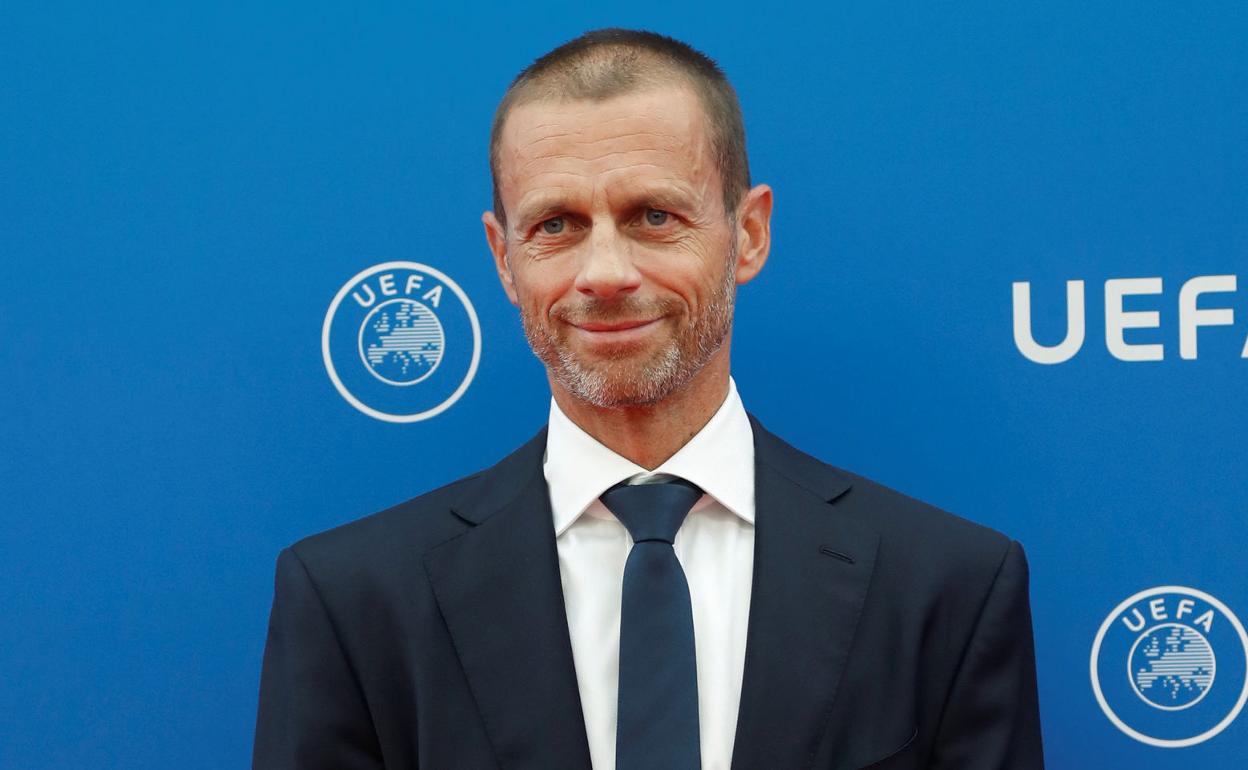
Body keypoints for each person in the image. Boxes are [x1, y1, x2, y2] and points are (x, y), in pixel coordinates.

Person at [253, 28, 1045, 770]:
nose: (605, 273)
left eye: (654, 216)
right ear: (503, 258)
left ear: (749, 234)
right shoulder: (353, 602)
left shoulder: (946, 586)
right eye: (556, 224)